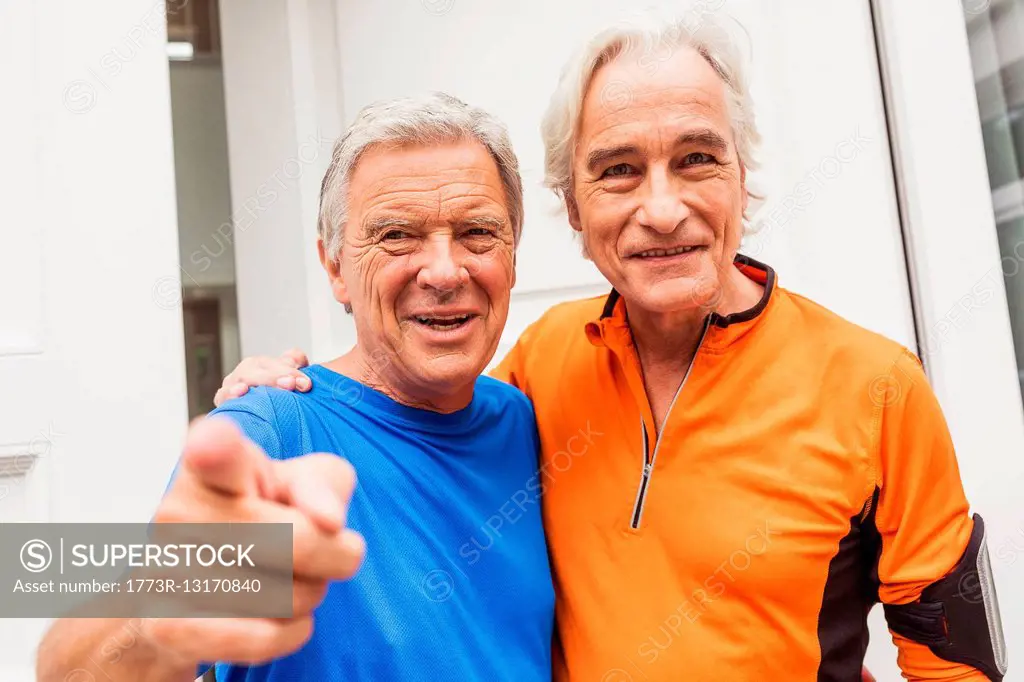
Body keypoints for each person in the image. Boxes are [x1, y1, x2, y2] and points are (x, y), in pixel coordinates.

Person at [216, 11, 1007, 682]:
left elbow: (958, 662)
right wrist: (274, 398)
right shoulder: (537, 367)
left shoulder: (878, 388)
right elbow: (403, 405)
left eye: (696, 159)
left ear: (743, 178)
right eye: (619, 171)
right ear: (574, 207)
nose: (662, 210)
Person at [36, 93, 555, 682]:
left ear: (512, 255)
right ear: (335, 267)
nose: (442, 271)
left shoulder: (520, 419)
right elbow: (74, 672)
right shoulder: (267, 433)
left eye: (477, 233)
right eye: (396, 236)